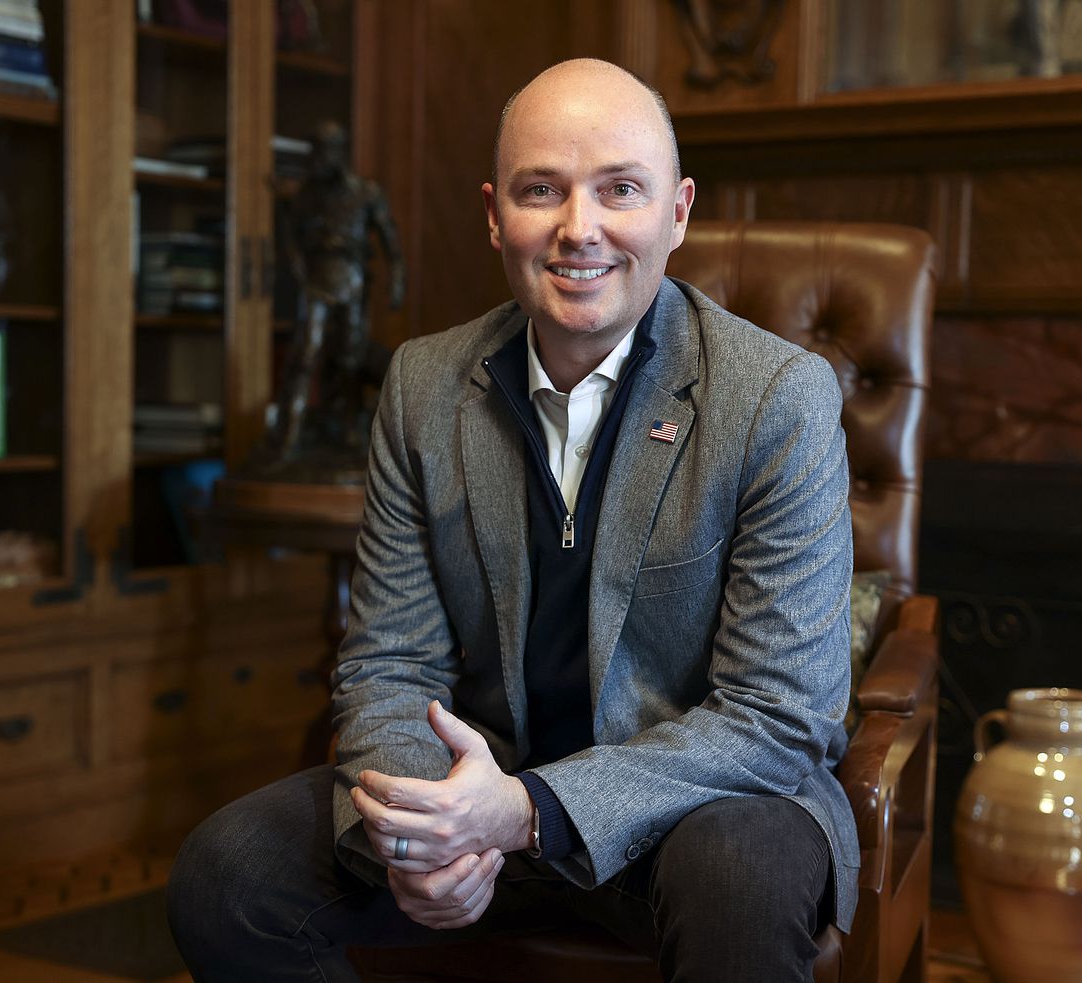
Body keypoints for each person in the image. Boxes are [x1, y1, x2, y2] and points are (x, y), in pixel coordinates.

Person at [168, 58, 857, 983]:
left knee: (740, 873)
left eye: (621, 189)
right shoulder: (422, 387)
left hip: (689, 812)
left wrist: (531, 808)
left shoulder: (777, 397)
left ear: (679, 211)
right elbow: (389, 662)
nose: (581, 229)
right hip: (475, 802)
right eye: (544, 190)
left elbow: (776, 715)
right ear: (496, 213)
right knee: (224, 877)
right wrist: (420, 841)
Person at [271, 120, 405, 459]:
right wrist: (299, 267)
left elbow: (390, 240)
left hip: (353, 280)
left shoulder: (365, 193)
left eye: (323, 152)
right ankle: (288, 437)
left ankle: (347, 430)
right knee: (306, 353)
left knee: (350, 356)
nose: (317, 160)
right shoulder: (305, 197)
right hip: (317, 282)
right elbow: (293, 244)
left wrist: (397, 280)